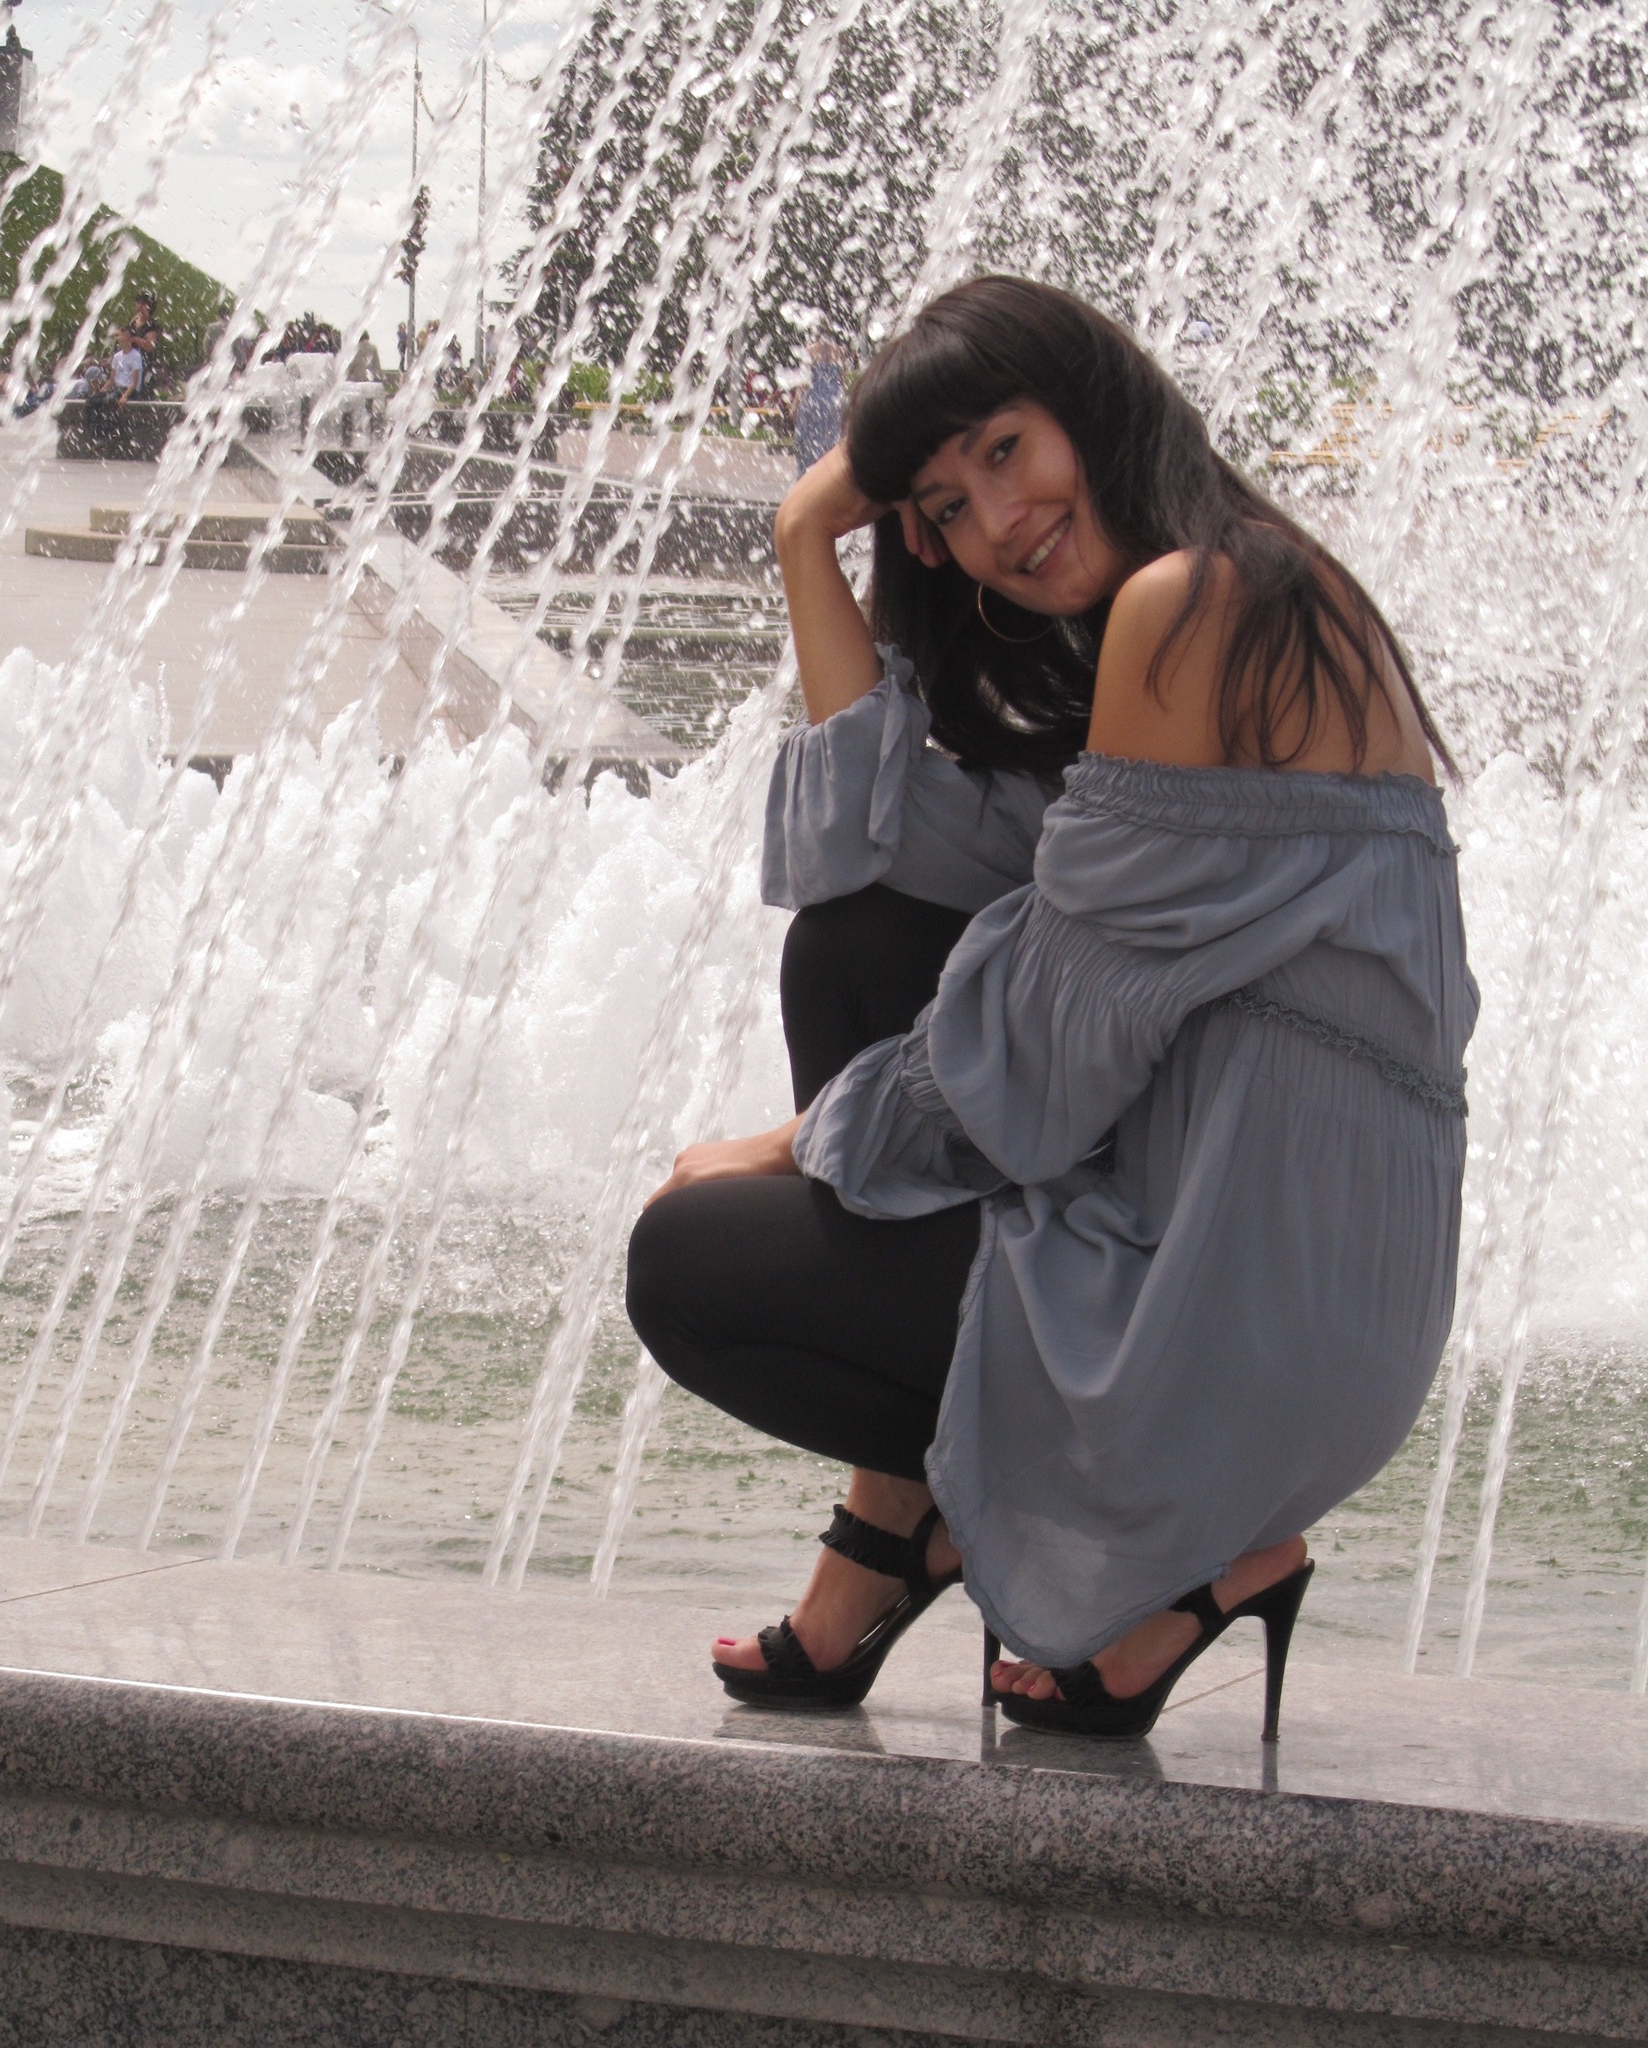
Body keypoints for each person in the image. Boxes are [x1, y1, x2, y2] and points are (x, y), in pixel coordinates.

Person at [626, 275, 1477, 1738]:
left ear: (1089, 400)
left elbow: (1048, 1049)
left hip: (1234, 1308)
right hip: (1292, 1296)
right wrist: (804, 534)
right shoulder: (1238, 585)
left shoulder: (1194, 605)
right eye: (945, 507)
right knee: (859, 939)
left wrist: (798, 1139)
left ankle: (956, 1529)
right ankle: (928, 1527)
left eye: (1005, 450)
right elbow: (873, 850)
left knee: (687, 1265)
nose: (997, 523)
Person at [790, 332, 846, 475]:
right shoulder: (839, 352)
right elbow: (842, 380)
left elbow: (803, 381)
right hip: (834, 401)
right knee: (831, 443)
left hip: (813, 400)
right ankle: (827, 479)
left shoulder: (810, 350)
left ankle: (807, 478)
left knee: (808, 444)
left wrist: (795, 404)